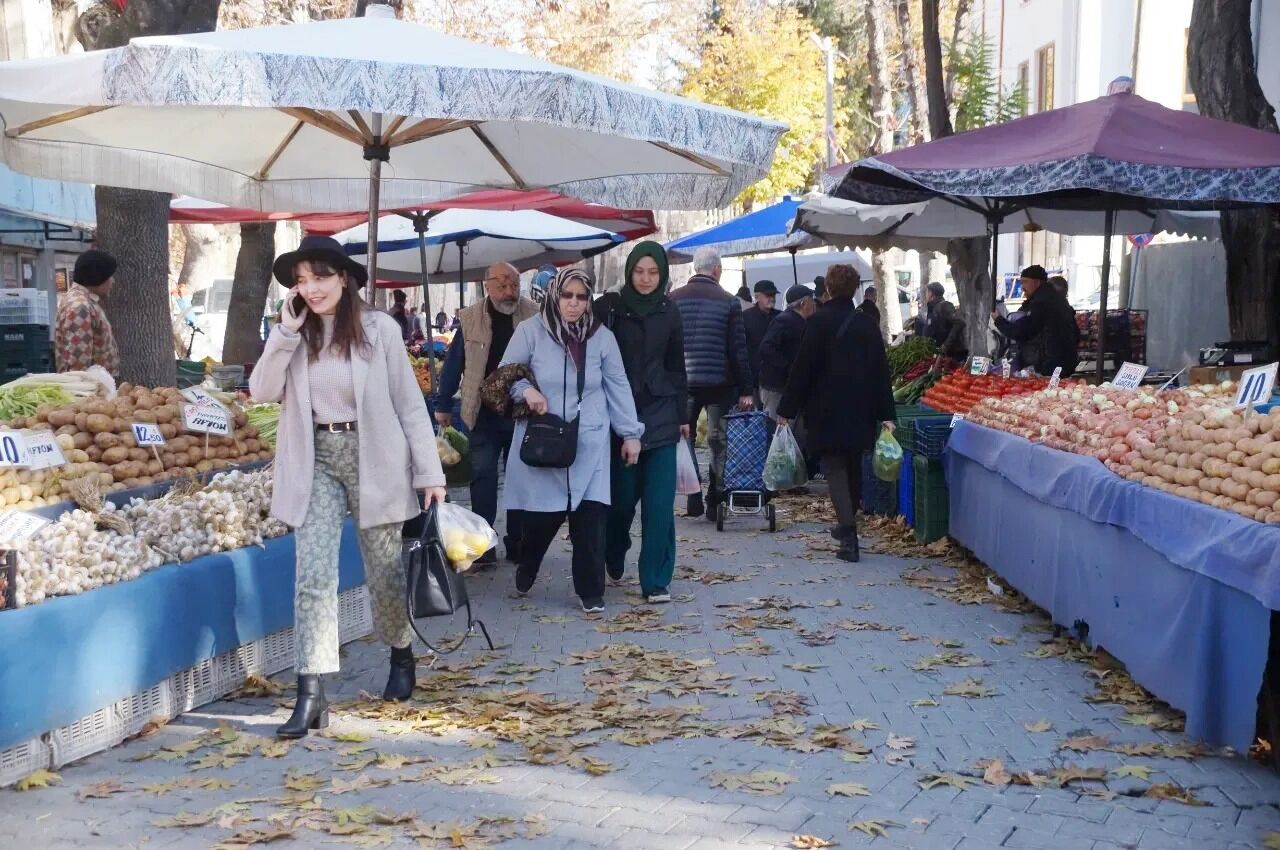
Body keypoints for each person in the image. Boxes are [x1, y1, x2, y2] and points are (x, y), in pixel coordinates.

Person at [248, 236, 447, 738]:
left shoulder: (380, 329)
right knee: (312, 574)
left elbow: (409, 404)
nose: (310, 289)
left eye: (319, 277)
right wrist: (285, 333)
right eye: (301, 281)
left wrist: (430, 472)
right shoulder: (295, 332)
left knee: (383, 570)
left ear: (343, 278)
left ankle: (401, 652)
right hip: (315, 458)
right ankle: (310, 691)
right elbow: (261, 391)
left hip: (374, 455)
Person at [498, 268, 643, 613]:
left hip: (590, 439)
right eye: (567, 296)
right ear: (555, 295)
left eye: (581, 297)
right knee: (542, 519)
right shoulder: (530, 331)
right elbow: (506, 374)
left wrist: (630, 433)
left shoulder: (601, 337)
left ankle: (590, 592)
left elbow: (618, 385)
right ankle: (528, 564)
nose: (574, 304)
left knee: (591, 517)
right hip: (545, 437)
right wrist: (527, 390)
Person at [777, 264, 895, 563]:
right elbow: (881, 372)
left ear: (828, 288)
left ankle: (848, 534)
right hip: (861, 408)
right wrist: (887, 413)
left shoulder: (817, 323)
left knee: (834, 468)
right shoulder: (867, 324)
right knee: (853, 466)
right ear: (855, 289)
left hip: (826, 408)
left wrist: (786, 409)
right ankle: (847, 525)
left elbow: (802, 369)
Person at [593, 242, 688, 604]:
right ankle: (614, 548)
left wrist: (683, 415)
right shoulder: (609, 308)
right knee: (620, 502)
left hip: (661, 414)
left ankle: (656, 580)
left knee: (660, 506)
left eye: (653, 272)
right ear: (629, 271)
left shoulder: (670, 310)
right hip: (619, 415)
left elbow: (677, 366)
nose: (646, 279)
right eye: (639, 271)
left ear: (662, 274)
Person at [434, 261, 539, 566]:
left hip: (520, 412)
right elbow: (454, 362)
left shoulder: (533, 314)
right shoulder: (470, 318)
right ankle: (484, 544)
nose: (509, 291)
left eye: (514, 284)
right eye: (502, 285)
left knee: (521, 478)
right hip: (481, 413)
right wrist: (443, 404)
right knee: (482, 477)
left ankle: (518, 543)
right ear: (487, 286)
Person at [669, 247, 753, 519]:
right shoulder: (729, 301)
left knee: (686, 436)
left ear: (695, 268)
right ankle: (715, 498)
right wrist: (746, 389)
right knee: (718, 441)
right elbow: (738, 349)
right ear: (717, 270)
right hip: (720, 384)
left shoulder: (673, 299)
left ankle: (693, 491)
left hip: (684, 383)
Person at [993, 265, 1080, 377]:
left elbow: (1023, 332)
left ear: (1036, 282)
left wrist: (999, 320)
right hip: (1063, 362)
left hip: (1050, 364)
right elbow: (1076, 334)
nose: (1022, 287)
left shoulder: (1042, 303)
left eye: (1025, 282)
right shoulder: (1054, 299)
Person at [55, 249, 120, 377]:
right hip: (90, 386)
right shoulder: (80, 307)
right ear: (98, 277)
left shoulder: (81, 301)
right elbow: (78, 365)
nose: (112, 281)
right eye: (109, 276)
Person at [758, 284, 817, 418]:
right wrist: (789, 366)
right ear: (803, 303)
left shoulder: (802, 321)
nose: (814, 304)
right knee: (777, 425)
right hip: (776, 387)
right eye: (811, 301)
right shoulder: (785, 320)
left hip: (789, 386)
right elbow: (766, 348)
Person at [741, 279, 780, 396]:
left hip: (776, 379)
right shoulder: (746, 317)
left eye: (773, 295)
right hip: (754, 378)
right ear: (757, 297)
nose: (772, 298)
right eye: (768, 295)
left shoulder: (780, 317)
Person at [921, 282, 967, 361]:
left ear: (931, 293)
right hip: (939, 354)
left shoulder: (944, 306)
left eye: (927, 292)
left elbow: (960, 322)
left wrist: (946, 345)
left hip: (952, 355)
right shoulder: (932, 308)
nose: (926, 294)